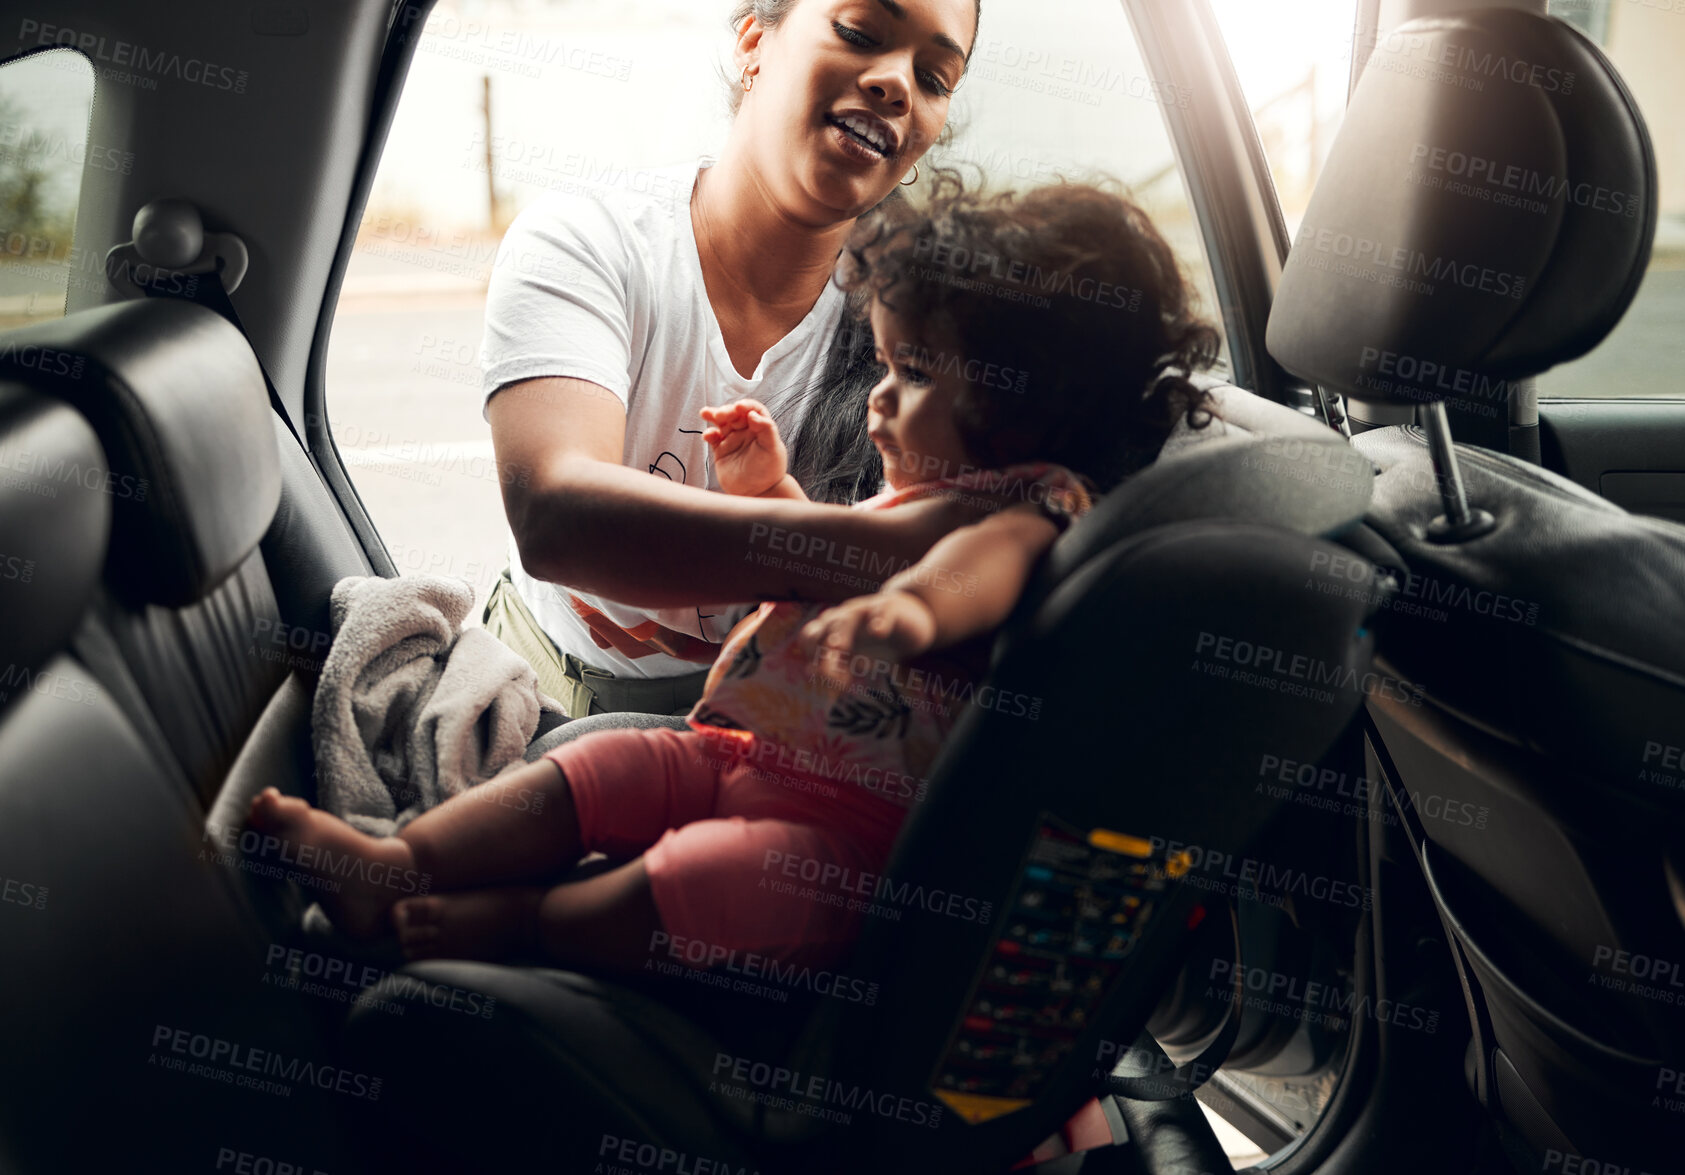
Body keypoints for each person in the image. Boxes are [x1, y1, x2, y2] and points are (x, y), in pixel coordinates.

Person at [249, 175, 1219, 977]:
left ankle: (517, 924)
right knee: (588, 770)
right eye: (883, 363)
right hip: (741, 756)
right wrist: (772, 486)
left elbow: (981, 571)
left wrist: (914, 615)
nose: (878, 395)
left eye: (915, 373)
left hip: (847, 843)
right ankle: (399, 862)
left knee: (699, 880)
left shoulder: (1026, 507)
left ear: (1029, 410)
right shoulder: (926, 496)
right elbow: (830, 555)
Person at [477, 0, 990, 720]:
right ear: (754, 41)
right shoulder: (586, 243)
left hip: (771, 725)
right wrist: (878, 548)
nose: (897, 84)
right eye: (859, 33)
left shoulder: (917, 324)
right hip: (544, 704)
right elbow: (555, 513)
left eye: (935, 77)